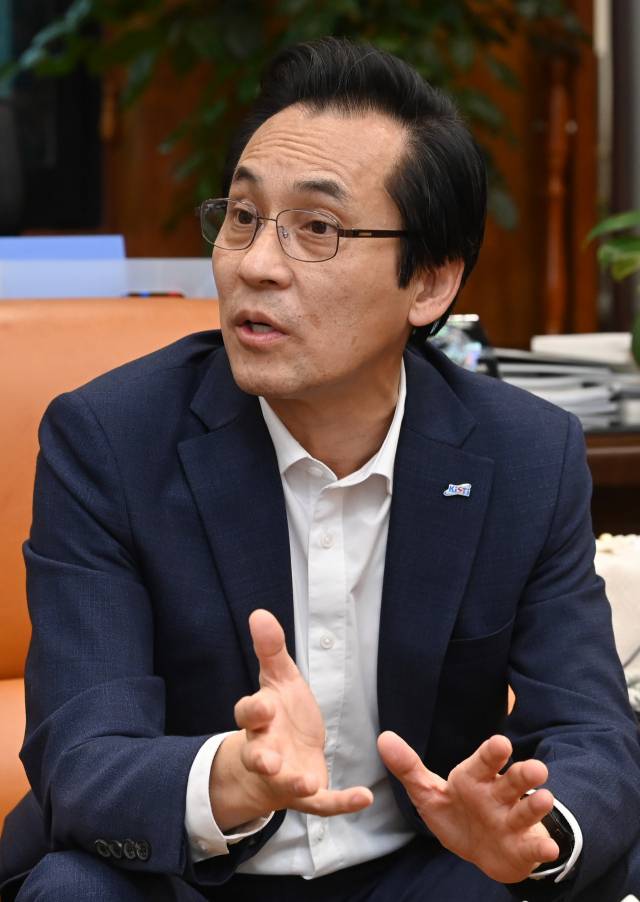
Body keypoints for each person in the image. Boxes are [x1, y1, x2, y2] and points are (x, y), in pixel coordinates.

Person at [1, 37, 639, 902]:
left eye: (318, 229)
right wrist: (231, 777)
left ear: (430, 284)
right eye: (242, 216)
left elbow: (594, 732)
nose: (256, 264)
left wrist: (534, 831)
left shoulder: (525, 456)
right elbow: (82, 756)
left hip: (421, 872)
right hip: (185, 877)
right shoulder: (110, 440)